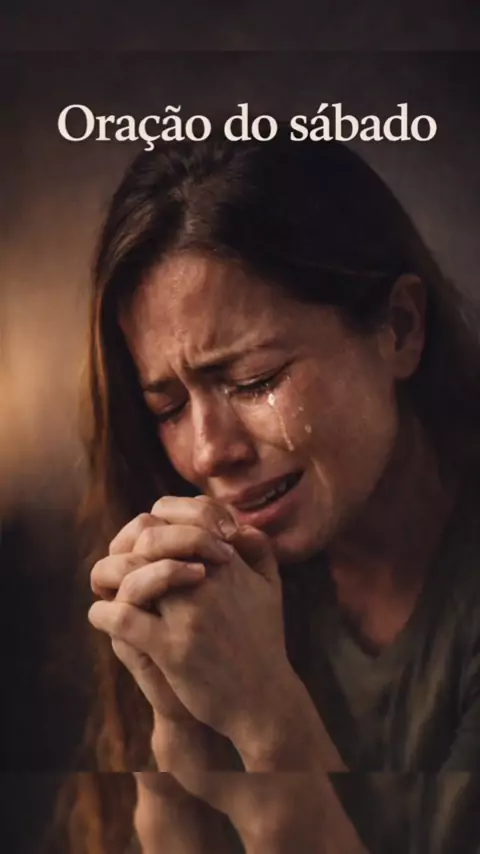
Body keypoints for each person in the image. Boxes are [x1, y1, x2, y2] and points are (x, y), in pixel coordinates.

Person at [63, 127, 480, 854]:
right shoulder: (224, 593)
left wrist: (267, 721)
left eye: (255, 381)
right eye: (168, 407)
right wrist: (173, 736)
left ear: (400, 329)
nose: (207, 453)